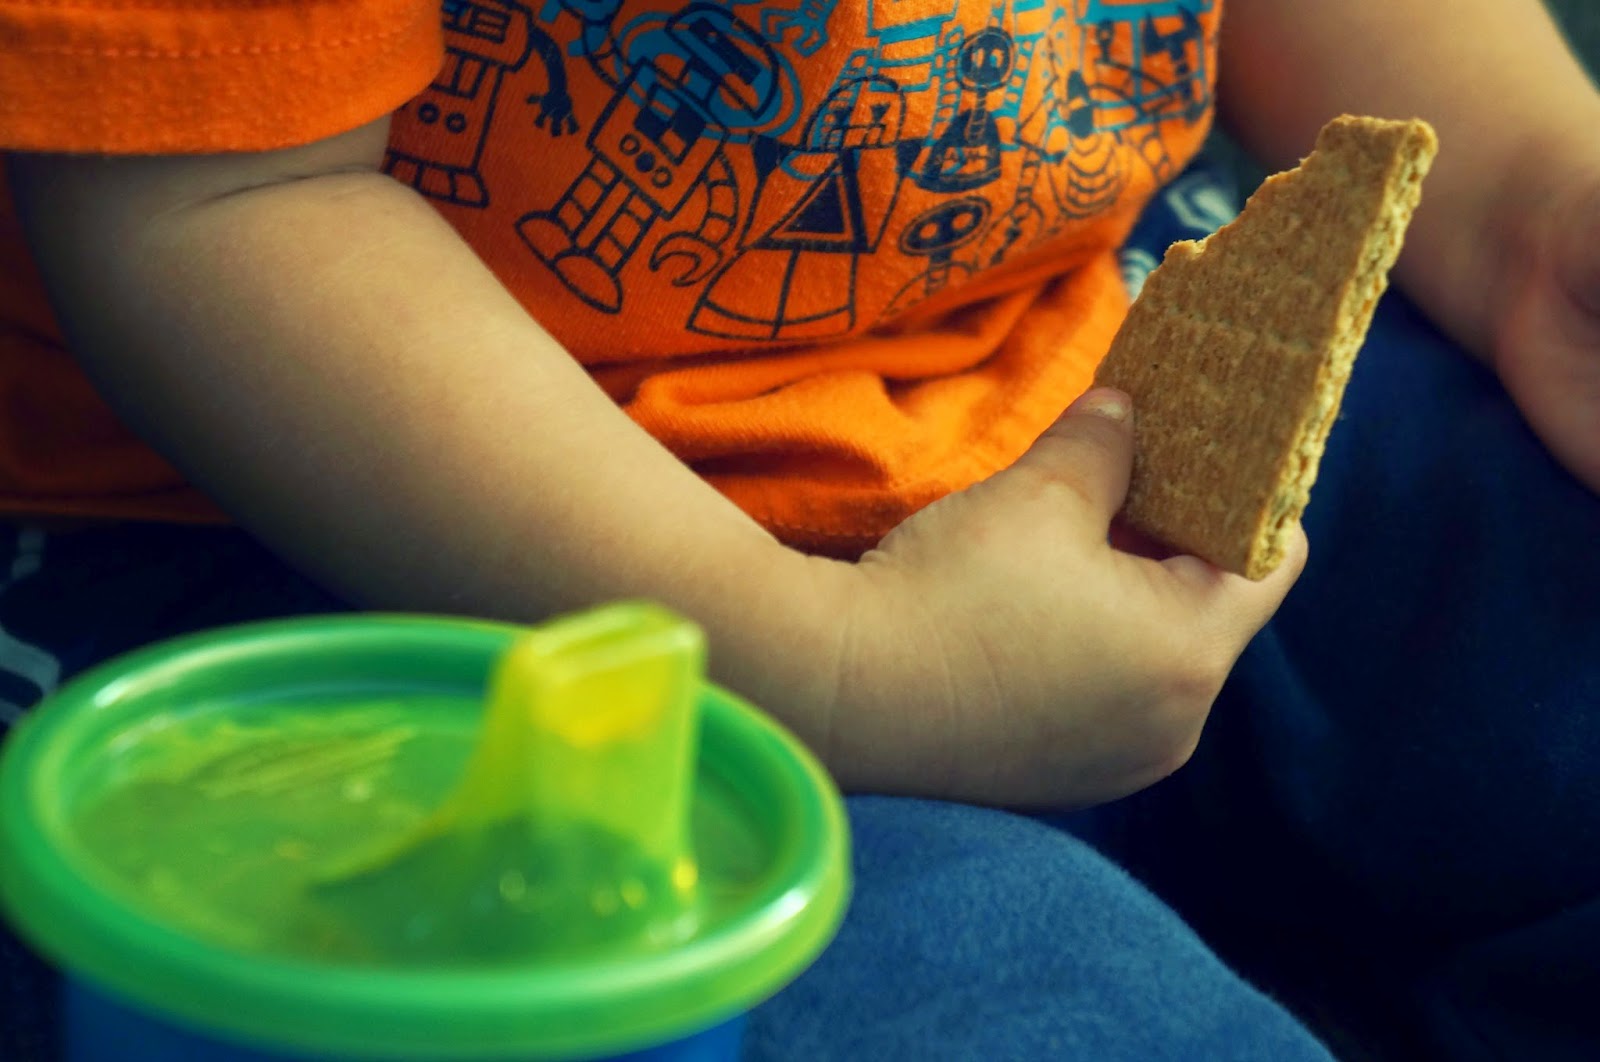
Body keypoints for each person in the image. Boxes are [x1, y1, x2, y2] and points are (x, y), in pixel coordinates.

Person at [0, 0, 1596, 1057]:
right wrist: (832, 666)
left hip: (1081, 346)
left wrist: (1535, 199)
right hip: (405, 549)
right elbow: (215, 199)